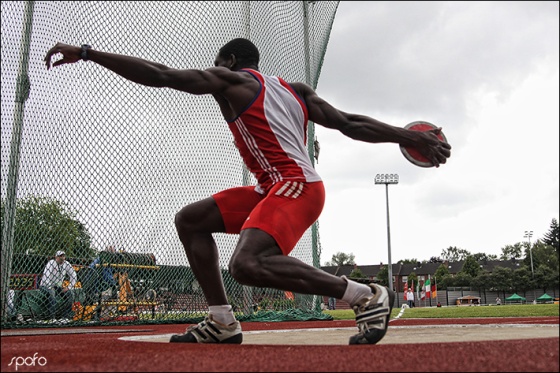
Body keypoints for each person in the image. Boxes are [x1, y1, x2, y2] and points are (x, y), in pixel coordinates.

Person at [44, 38, 451, 344]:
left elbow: (163, 75)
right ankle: (222, 320)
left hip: (295, 185)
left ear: (231, 63)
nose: (213, 72)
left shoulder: (231, 80)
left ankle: (365, 294)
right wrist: (405, 135)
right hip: (274, 187)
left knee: (247, 264)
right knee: (190, 220)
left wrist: (88, 53)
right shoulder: (296, 90)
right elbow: (348, 122)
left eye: (216, 66)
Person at [39, 250, 77, 322]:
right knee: (51, 293)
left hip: (57, 287)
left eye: (63, 256)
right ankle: (51, 317)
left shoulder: (66, 264)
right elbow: (46, 276)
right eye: (60, 256)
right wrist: (50, 287)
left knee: (70, 294)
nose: (62, 258)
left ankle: (65, 317)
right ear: (56, 257)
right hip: (45, 285)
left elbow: (73, 275)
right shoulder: (51, 263)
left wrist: (69, 287)